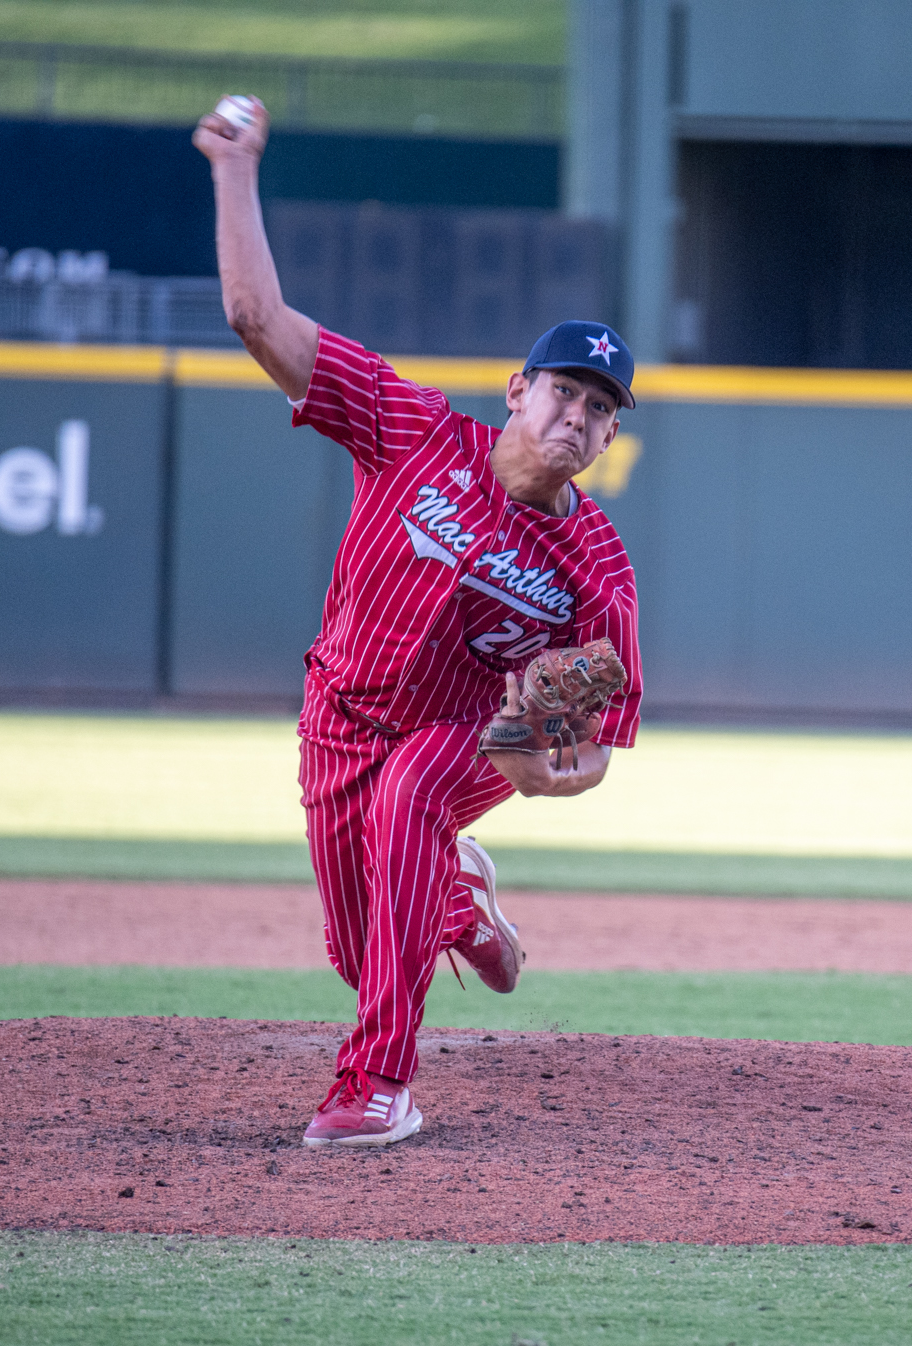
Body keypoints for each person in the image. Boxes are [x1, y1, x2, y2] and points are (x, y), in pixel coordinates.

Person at [193, 96, 644, 1147]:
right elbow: (259, 322)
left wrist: (548, 763)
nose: (576, 418)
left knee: (408, 802)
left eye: (600, 409)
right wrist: (233, 169)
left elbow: (589, 755)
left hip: (463, 737)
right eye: (564, 393)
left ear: (609, 434)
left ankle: (375, 1088)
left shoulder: (595, 565)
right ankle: (457, 905)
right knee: (365, 952)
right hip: (337, 710)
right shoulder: (410, 428)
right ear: (517, 389)